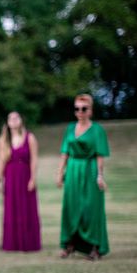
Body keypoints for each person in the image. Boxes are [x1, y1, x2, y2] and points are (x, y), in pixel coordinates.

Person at [56, 94, 110, 260]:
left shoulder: (97, 130)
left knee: (91, 209)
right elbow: (64, 152)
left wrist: (100, 176)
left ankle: (94, 246)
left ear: (90, 111)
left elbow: (100, 154)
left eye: (84, 108)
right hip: (72, 171)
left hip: (90, 169)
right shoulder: (70, 128)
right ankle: (69, 244)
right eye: (77, 108)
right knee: (71, 207)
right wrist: (60, 173)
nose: (80, 112)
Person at [0, 112, 41, 252]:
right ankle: (12, 243)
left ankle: (29, 243)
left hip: (25, 176)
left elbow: (34, 159)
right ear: (7, 122)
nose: (13, 120)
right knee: (11, 209)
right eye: (10, 118)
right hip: (10, 176)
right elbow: (1, 161)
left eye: (16, 117)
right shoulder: (3, 140)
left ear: (21, 120)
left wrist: (33, 178)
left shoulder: (30, 137)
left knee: (27, 208)